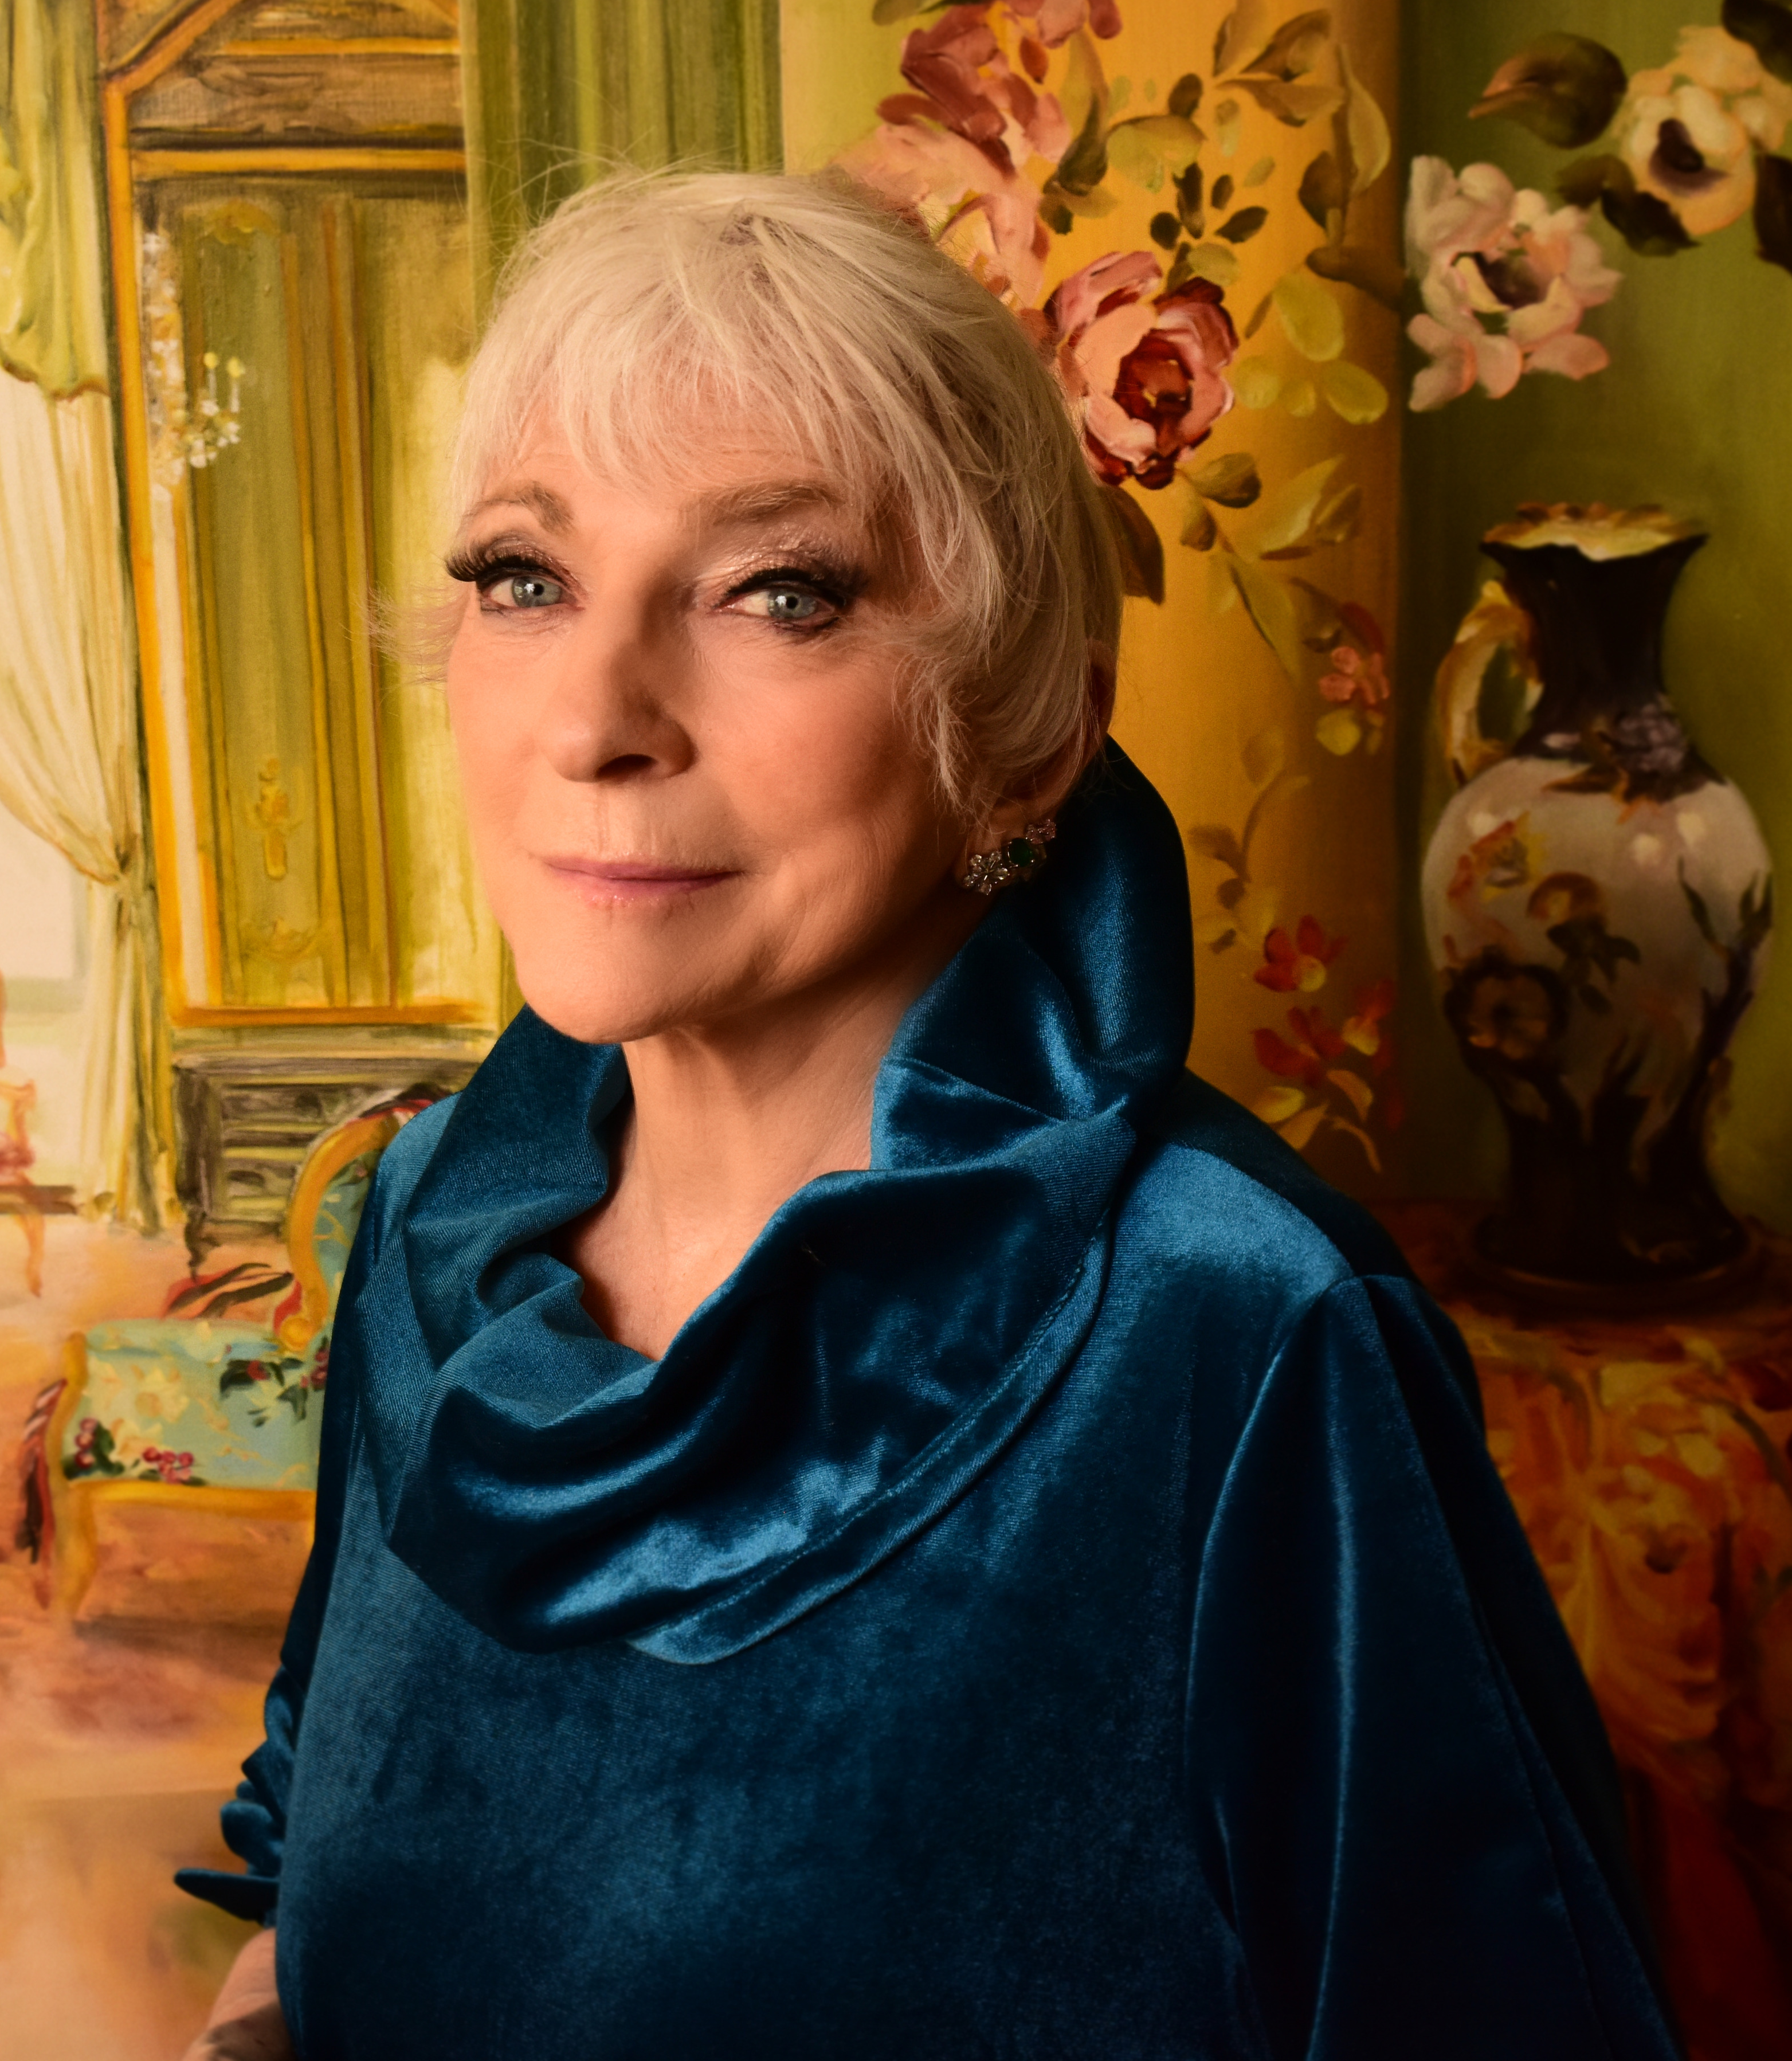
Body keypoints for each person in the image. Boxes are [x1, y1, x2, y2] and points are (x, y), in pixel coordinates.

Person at [179, 171, 1679, 2059]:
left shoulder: (1239, 1326)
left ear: (1029, 722)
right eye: (524, 578)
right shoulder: (426, 1230)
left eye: (775, 591)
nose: (594, 715)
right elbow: (304, 1860)